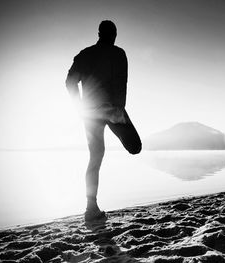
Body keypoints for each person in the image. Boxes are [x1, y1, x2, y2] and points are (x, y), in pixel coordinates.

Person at [65, 20, 142, 221]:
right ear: (114, 34)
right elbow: (122, 83)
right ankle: (91, 208)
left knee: (96, 157)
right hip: (112, 111)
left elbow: (70, 82)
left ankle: (91, 207)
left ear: (99, 33)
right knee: (134, 147)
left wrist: (80, 106)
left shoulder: (85, 55)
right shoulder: (119, 54)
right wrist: (119, 110)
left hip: (91, 113)